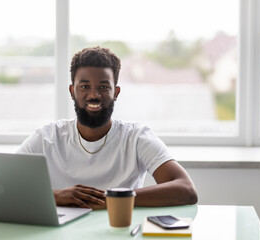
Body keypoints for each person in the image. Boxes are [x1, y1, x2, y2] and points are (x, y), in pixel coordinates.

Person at [17, 46, 198, 209]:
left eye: (103, 86)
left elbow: (186, 189)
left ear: (115, 92)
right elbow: (4, 186)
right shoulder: (47, 137)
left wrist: (110, 199)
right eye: (85, 86)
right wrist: (56, 196)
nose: (94, 95)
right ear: (72, 91)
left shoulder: (135, 138)